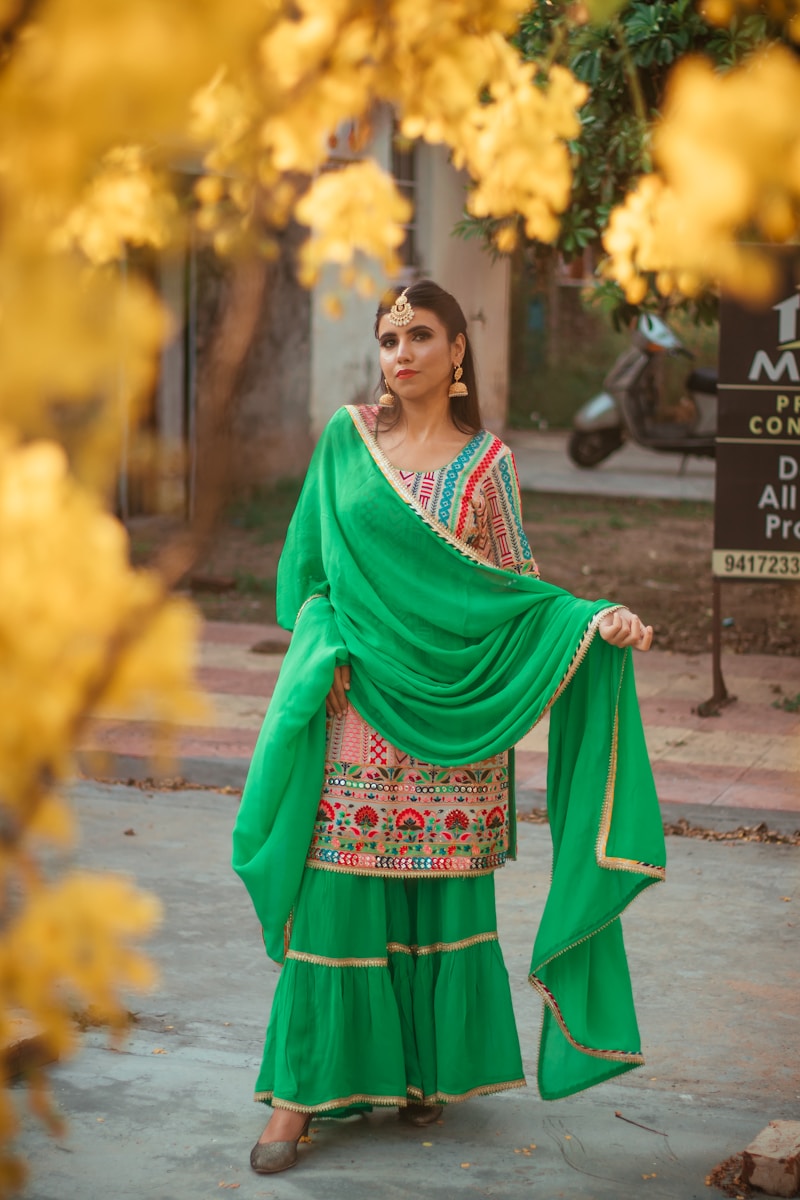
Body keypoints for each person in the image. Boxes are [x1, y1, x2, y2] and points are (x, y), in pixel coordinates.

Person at [232, 279, 666, 1176]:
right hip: (357, 702)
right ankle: (299, 1097)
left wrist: (594, 620)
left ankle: (424, 1068)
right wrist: (328, 640)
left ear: (457, 351)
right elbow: (306, 576)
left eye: (421, 335)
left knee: (434, 887)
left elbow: (512, 595)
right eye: (389, 338)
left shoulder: (488, 467)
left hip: (454, 711)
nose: (402, 353)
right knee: (339, 886)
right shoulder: (345, 445)